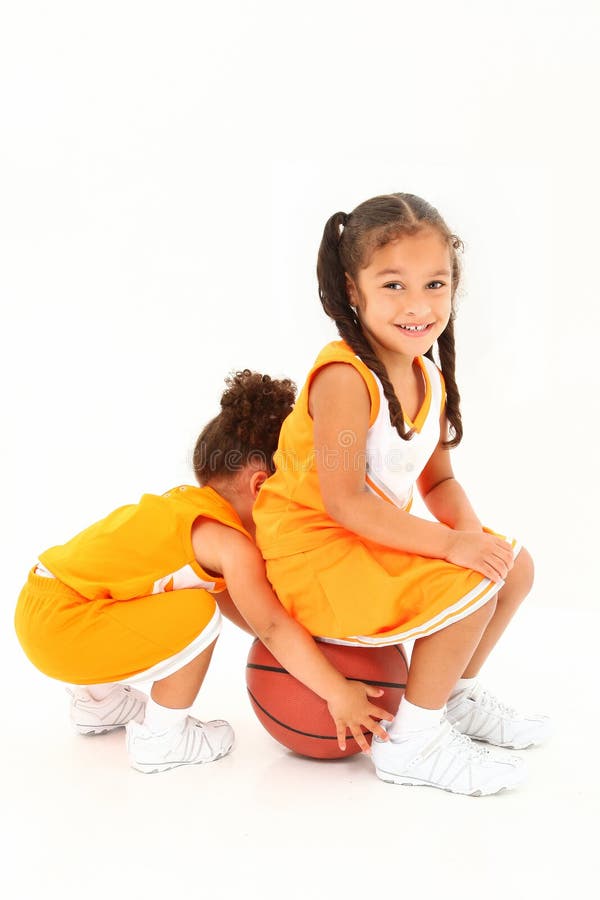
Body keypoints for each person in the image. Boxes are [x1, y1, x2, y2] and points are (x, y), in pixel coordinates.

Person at [253, 193, 551, 796]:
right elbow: (342, 501)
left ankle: (450, 698)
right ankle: (411, 744)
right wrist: (452, 549)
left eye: (435, 284)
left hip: (362, 533)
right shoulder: (344, 379)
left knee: (511, 568)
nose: (418, 306)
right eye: (393, 285)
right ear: (351, 288)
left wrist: (472, 542)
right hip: (315, 554)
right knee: (469, 582)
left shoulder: (427, 375)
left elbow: (437, 480)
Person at [15, 370, 394, 774]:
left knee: (168, 601)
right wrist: (336, 691)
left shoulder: (188, 512)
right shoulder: (231, 545)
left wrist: (311, 650)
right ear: (262, 487)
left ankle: (97, 703)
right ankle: (163, 737)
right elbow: (270, 627)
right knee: (196, 614)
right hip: (63, 625)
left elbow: (249, 612)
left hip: (45, 602)